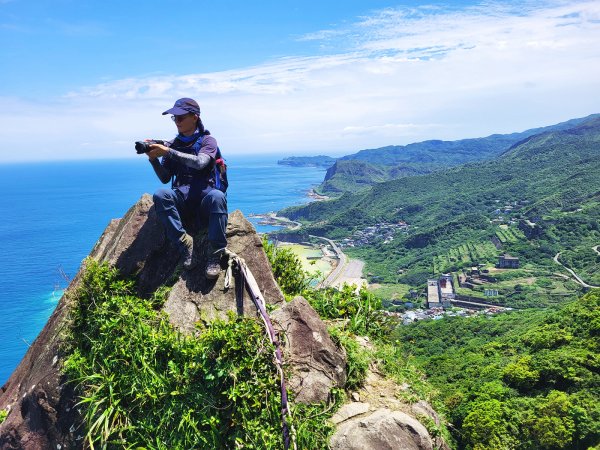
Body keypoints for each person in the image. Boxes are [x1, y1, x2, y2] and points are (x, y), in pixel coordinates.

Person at [146, 98, 228, 278]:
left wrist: (168, 152)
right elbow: (165, 178)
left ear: (195, 117)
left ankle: (214, 254)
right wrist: (153, 159)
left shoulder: (208, 141)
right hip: (183, 204)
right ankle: (185, 244)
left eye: (181, 117)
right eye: (174, 118)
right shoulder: (173, 144)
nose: (177, 122)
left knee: (217, 197)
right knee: (161, 194)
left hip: (206, 206)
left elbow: (200, 163)